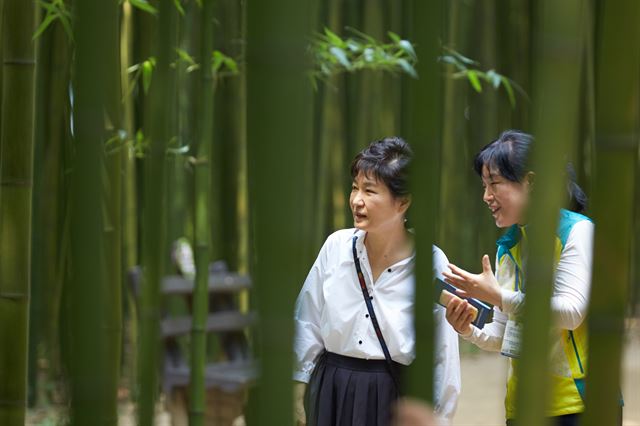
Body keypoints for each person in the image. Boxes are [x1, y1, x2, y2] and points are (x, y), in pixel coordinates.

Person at [293, 137, 460, 426]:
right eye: (355, 187)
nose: (357, 200)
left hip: (392, 397)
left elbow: (442, 350)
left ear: (403, 202)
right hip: (330, 386)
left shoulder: (431, 263)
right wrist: (296, 389)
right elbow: (307, 319)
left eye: (370, 191)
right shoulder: (336, 247)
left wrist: (437, 417)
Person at [443, 130, 597, 426]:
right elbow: (503, 336)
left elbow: (571, 312)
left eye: (494, 183)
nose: (486, 196)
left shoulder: (576, 232)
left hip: (576, 406)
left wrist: (498, 296)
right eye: (484, 185)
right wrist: (467, 330)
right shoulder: (509, 246)